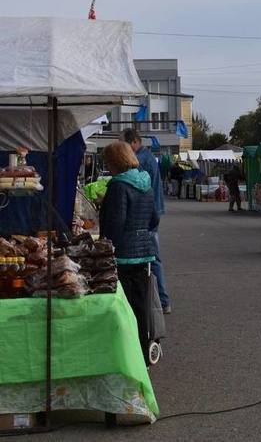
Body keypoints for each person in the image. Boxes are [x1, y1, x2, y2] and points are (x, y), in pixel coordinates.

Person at [100, 141, 159, 361]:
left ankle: (128, 351)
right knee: (141, 305)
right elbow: (154, 219)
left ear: (114, 161)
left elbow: (116, 223)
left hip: (123, 253)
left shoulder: (118, 186)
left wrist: (104, 245)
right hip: (144, 252)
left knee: (124, 305)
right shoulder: (145, 182)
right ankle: (143, 350)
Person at [123, 128, 171, 314]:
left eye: (126, 144)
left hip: (148, 213)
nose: (125, 148)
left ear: (134, 141)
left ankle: (162, 300)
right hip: (153, 210)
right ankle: (160, 299)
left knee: (152, 256)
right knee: (152, 255)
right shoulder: (148, 156)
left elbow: (137, 187)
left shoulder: (140, 159)